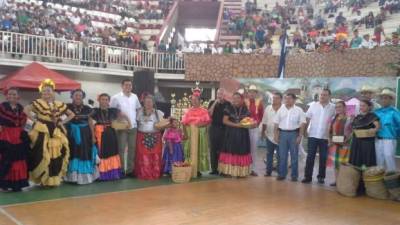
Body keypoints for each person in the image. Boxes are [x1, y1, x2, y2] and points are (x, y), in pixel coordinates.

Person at [24, 79, 75, 187]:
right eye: (44, 91)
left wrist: (62, 122)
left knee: (56, 154)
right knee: (42, 153)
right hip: (43, 131)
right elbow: (26, 110)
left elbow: (71, 114)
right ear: (41, 93)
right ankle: (43, 180)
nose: (46, 93)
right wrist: (35, 121)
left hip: (56, 131)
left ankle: (53, 180)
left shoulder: (59, 104)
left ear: (53, 92)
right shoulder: (38, 103)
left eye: (48, 91)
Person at [91, 93, 129, 181]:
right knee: (102, 152)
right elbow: (89, 121)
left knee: (113, 151)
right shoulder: (95, 111)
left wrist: (128, 123)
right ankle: (101, 174)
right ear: (99, 100)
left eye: (106, 99)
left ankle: (113, 174)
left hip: (111, 132)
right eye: (102, 99)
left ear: (109, 101)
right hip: (100, 133)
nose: (104, 101)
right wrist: (93, 135)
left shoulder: (113, 110)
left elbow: (123, 115)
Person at [64, 89, 99, 185]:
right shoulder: (67, 106)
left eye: (80, 95)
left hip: (85, 134)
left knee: (84, 153)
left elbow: (90, 122)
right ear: (72, 96)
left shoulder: (88, 108)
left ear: (83, 97)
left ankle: (84, 176)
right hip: (72, 134)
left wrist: (93, 136)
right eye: (76, 95)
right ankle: (72, 177)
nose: (78, 97)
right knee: (73, 152)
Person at [302, 89, 335, 184]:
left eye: (325, 95)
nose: (322, 96)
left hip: (325, 137)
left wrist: (332, 136)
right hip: (312, 135)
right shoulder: (313, 105)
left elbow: (335, 121)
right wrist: (304, 131)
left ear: (329, 96)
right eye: (321, 95)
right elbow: (307, 118)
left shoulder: (333, 107)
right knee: (310, 157)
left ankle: (321, 177)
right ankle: (307, 176)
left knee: (323, 158)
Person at [0, 88, 30, 192]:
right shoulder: (2, 107)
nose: (12, 96)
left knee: (18, 159)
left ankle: (16, 184)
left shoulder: (21, 108)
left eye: (14, 94)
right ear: (6, 96)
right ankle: (4, 183)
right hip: (5, 135)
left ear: (18, 97)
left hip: (18, 136)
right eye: (10, 94)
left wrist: (22, 131)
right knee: (5, 159)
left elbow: (24, 122)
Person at [218, 92, 254, 177]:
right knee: (229, 151)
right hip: (230, 134)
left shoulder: (246, 109)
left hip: (243, 135)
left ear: (241, 99)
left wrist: (251, 124)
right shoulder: (228, 108)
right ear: (232, 99)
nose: (236, 100)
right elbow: (225, 121)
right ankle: (227, 171)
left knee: (242, 151)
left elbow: (249, 121)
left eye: (238, 98)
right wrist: (237, 125)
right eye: (234, 98)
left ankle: (241, 172)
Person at [110, 79, 141, 177]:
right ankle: (121, 170)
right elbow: (112, 112)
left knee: (132, 148)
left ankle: (130, 170)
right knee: (121, 149)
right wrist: (118, 119)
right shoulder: (115, 97)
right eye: (126, 85)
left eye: (130, 85)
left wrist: (137, 120)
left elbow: (138, 109)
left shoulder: (135, 97)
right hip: (122, 127)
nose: (128, 87)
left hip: (133, 127)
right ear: (122, 86)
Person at [274, 93, 306, 181]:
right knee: (282, 156)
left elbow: (302, 123)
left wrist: (300, 136)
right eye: (286, 99)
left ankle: (294, 176)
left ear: (294, 100)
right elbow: (276, 123)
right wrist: (276, 135)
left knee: (294, 155)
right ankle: (282, 174)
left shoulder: (299, 110)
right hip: (282, 134)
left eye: (289, 99)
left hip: (294, 134)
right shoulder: (281, 109)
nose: (287, 100)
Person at [182, 88, 211, 178]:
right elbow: (183, 123)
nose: (193, 101)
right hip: (190, 134)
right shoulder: (188, 111)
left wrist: (200, 125)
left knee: (200, 150)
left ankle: (198, 169)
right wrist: (185, 134)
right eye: (192, 99)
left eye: (195, 100)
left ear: (199, 101)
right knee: (189, 150)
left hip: (200, 134)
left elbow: (207, 122)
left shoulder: (204, 111)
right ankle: (189, 168)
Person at [135, 95, 164, 180]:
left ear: (153, 103)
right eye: (146, 102)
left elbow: (163, 125)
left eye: (150, 102)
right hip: (142, 137)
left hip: (156, 137)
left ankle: (155, 173)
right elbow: (135, 124)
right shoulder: (139, 112)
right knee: (143, 156)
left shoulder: (158, 113)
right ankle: (144, 174)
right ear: (143, 103)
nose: (148, 103)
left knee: (156, 155)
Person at [349, 99, 380, 168]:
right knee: (356, 160)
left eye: (364, 106)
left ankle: (366, 177)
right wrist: (351, 120)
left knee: (367, 160)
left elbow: (377, 127)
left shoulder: (372, 116)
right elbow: (353, 127)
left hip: (367, 142)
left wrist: (374, 130)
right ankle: (357, 177)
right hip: (356, 141)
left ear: (369, 107)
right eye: (360, 106)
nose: (361, 107)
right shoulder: (358, 116)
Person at [374, 89, 400, 171]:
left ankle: (392, 178)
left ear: (391, 99)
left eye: (386, 98)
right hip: (378, 138)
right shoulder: (377, 112)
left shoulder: (394, 112)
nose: (383, 100)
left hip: (390, 139)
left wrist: (395, 134)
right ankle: (379, 178)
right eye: (382, 98)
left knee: (388, 156)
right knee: (379, 158)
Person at [328, 101, 352, 186]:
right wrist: (330, 140)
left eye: (340, 107)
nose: (338, 108)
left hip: (345, 145)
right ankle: (337, 181)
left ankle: (344, 182)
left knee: (344, 163)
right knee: (336, 163)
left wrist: (347, 140)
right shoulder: (333, 118)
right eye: (336, 107)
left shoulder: (350, 118)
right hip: (335, 145)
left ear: (345, 108)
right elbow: (330, 131)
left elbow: (353, 131)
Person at [208, 88, 230, 175]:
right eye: (218, 93)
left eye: (221, 93)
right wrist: (215, 103)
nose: (219, 95)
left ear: (224, 95)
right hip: (214, 128)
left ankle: (222, 169)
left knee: (223, 149)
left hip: (224, 129)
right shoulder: (212, 102)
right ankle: (214, 169)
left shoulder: (228, 104)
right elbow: (209, 114)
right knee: (213, 149)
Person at [261, 92, 282, 176]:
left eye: (276, 98)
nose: (274, 99)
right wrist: (263, 133)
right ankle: (268, 171)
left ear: (281, 99)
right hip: (269, 135)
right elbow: (264, 122)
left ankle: (280, 171)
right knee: (269, 154)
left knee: (280, 155)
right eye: (273, 98)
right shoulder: (268, 108)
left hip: (280, 136)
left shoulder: (284, 109)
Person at [245, 85, 264, 176]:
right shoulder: (244, 102)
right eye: (250, 92)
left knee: (253, 150)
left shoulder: (259, 103)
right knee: (244, 149)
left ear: (256, 93)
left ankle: (253, 169)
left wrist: (257, 123)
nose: (251, 93)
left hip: (254, 129)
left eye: (253, 92)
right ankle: (245, 167)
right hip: (244, 129)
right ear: (248, 93)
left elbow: (261, 115)